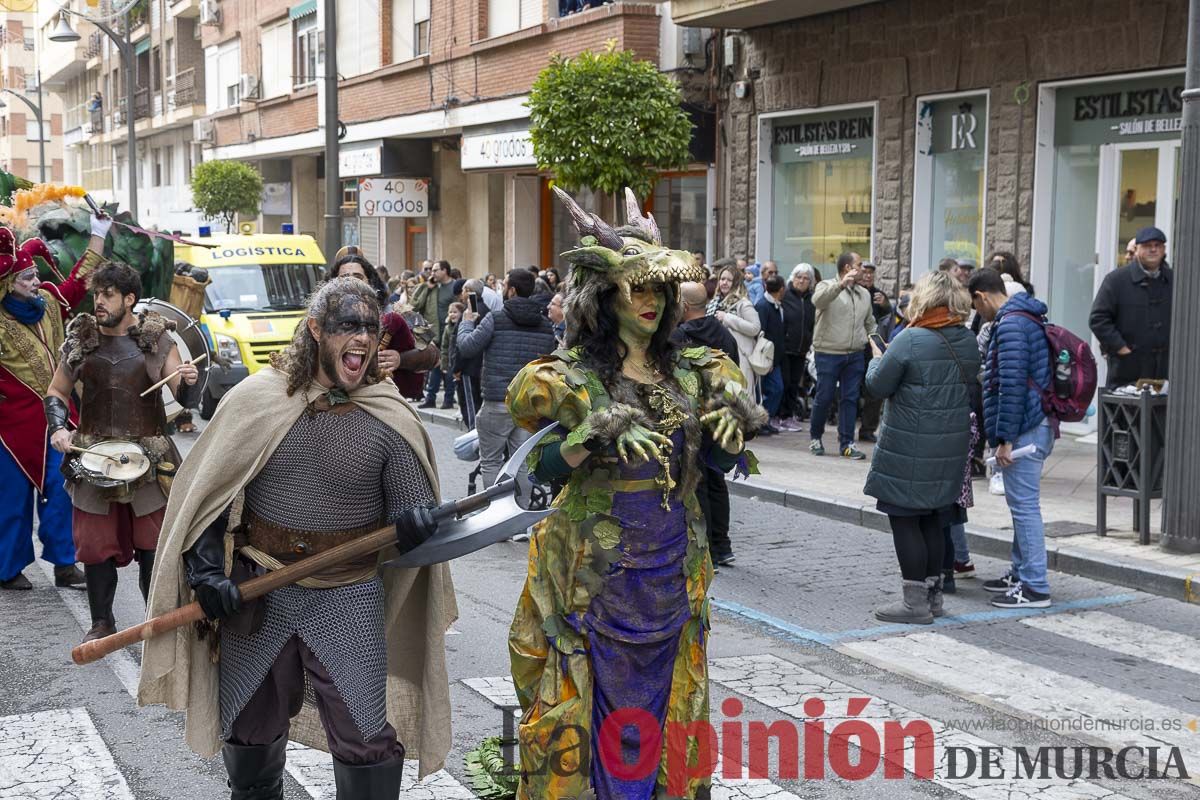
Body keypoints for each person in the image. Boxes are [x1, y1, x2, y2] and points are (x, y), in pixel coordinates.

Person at [138, 276, 457, 799]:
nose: (362, 338)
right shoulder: (260, 399)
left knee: (366, 737)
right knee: (250, 730)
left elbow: (410, 521)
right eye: (348, 326)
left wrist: (418, 525)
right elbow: (210, 496)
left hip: (348, 593)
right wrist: (205, 573)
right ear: (315, 329)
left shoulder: (387, 414)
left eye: (370, 328)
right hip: (261, 585)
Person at [506, 189, 763, 799]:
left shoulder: (693, 369)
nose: (649, 301)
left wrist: (732, 425)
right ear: (605, 296)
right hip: (596, 579)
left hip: (671, 568)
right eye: (634, 288)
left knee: (665, 705)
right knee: (585, 703)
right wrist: (590, 435)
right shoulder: (576, 376)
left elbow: (726, 456)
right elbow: (545, 466)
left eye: (658, 289)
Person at [45, 262, 199, 642]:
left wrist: (188, 381)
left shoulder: (156, 339)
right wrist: (59, 427)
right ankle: (101, 623)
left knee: (153, 545)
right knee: (95, 546)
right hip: (93, 455)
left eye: (108, 294)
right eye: (97, 294)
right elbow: (57, 391)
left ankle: (155, 623)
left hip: (149, 456)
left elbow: (180, 387)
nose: (99, 301)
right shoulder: (81, 341)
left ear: (129, 298)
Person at [0, 221, 110, 592]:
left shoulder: (46, 303)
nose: (33, 283)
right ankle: (8, 567)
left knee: (63, 489)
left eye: (34, 275)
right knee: (12, 499)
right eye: (25, 279)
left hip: (57, 417)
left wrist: (98, 235)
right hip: (9, 427)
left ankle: (65, 563)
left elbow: (78, 283)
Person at [864, 271, 978, 624]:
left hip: (910, 444)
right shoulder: (966, 339)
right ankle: (934, 598)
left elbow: (879, 385)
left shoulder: (910, 338)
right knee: (934, 517)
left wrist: (874, 358)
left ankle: (914, 604)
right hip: (950, 443)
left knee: (905, 518)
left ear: (923, 299)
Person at [968, 267, 1054, 609]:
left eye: (976, 307)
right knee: (1022, 505)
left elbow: (1011, 385)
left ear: (981, 296)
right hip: (1033, 424)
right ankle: (1021, 573)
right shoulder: (1023, 317)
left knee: (1024, 507)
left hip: (1025, 428)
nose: (979, 315)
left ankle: (1034, 586)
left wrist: (1004, 438)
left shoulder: (1012, 323)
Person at [457, 267, 557, 490]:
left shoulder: (496, 318)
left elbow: (467, 347)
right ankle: (518, 521)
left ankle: (495, 514)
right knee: (522, 464)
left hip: (497, 401)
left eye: (504, 285)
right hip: (529, 405)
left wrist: (466, 322)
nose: (501, 289)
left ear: (511, 291)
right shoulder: (545, 325)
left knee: (491, 461)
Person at [672, 281, 740, 567]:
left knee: (696, 479)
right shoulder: (725, 335)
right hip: (721, 413)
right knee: (716, 480)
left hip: (691, 416)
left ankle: (706, 546)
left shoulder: (678, 337)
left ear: (684, 306)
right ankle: (722, 545)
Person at [329, 253, 436, 401]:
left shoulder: (398, 311)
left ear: (370, 282)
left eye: (358, 277)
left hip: (386, 404)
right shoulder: (321, 319)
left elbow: (434, 355)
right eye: (344, 277)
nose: (351, 282)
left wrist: (400, 359)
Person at [809, 252, 876, 459]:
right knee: (825, 396)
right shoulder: (826, 286)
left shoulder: (864, 294)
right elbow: (818, 301)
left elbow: (870, 322)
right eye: (860, 264)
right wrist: (840, 286)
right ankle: (815, 437)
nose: (864, 269)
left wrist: (876, 343)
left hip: (855, 354)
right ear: (848, 268)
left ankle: (847, 444)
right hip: (828, 353)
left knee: (850, 399)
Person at [1089, 226, 1172, 390]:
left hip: (1165, 371)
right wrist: (1121, 348)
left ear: (1163, 250)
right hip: (1127, 372)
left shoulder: (1174, 280)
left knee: (1163, 415)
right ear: (1137, 249)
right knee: (1127, 414)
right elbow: (1098, 319)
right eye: (1148, 245)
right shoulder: (1116, 280)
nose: (1153, 249)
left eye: (1158, 245)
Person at [708, 263, 761, 393]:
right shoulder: (714, 303)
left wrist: (727, 318)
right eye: (722, 279)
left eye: (729, 280)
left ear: (736, 282)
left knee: (741, 400)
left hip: (739, 358)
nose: (724, 283)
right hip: (718, 358)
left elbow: (755, 327)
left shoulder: (743, 303)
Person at [412, 260, 456, 408]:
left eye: (435, 270)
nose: (432, 273)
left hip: (450, 332)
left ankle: (448, 399)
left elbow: (459, 307)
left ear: (445, 271)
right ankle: (431, 398)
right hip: (433, 333)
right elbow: (416, 305)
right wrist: (427, 288)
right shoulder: (431, 287)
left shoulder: (454, 286)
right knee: (435, 366)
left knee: (447, 367)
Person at [857, 261, 891, 443]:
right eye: (865, 272)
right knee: (851, 391)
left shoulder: (879, 296)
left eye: (871, 273)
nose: (868, 276)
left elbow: (889, 319)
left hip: (874, 349)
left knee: (873, 391)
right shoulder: (853, 292)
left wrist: (885, 306)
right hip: (855, 347)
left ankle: (868, 429)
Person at [780, 263, 816, 426]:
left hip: (801, 349)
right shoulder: (785, 295)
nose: (801, 281)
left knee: (795, 383)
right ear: (792, 278)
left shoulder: (812, 298)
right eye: (798, 277)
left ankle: (789, 416)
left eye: (806, 278)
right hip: (785, 348)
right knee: (784, 383)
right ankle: (780, 415)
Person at [755, 274, 788, 432]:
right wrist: (768, 360)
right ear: (781, 289)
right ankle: (761, 421)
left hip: (776, 358)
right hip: (767, 358)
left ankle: (765, 420)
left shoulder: (776, 305)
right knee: (774, 389)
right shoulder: (763, 306)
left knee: (776, 389)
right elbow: (761, 334)